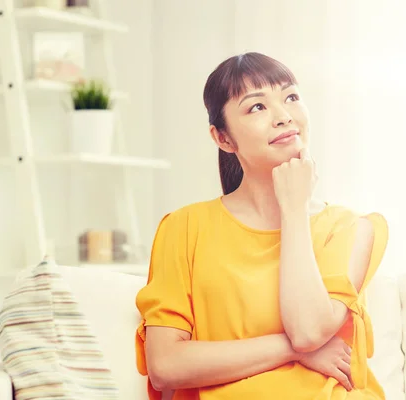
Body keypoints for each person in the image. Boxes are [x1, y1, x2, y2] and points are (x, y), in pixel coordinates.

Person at [135, 52, 389, 400]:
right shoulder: (184, 228)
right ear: (223, 138)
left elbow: (308, 330)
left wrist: (294, 210)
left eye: (291, 97)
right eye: (257, 107)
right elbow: (165, 366)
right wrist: (292, 351)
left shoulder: (350, 229)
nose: (284, 116)